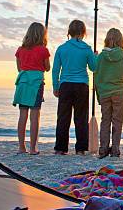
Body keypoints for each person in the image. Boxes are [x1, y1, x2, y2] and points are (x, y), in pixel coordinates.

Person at [52, 20, 97, 155]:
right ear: (83, 32)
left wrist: (56, 86)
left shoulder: (61, 48)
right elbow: (93, 68)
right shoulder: (87, 49)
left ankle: (60, 148)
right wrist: (95, 56)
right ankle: (81, 149)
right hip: (82, 85)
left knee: (63, 117)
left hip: (65, 84)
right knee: (81, 118)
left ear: (69, 32)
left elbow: (55, 70)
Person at [95, 28, 123, 158]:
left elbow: (97, 75)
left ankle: (103, 148)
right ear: (120, 41)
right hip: (119, 91)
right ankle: (115, 148)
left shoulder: (100, 57)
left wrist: (98, 94)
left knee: (105, 119)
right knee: (117, 120)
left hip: (104, 92)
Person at [12, 22, 50, 155]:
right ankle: (33, 148)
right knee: (35, 116)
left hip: (23, 82)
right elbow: (47, 68)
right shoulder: (43, 50)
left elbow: (19, 68)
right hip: (36, 83)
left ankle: (21, 147)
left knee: (23, 115)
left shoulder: (20, 50)